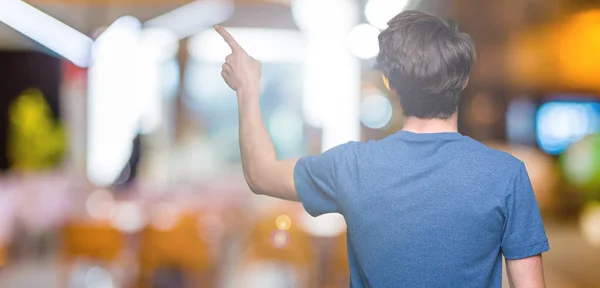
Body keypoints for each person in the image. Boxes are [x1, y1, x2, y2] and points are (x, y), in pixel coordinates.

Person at [215, 10, 548, 288]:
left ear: (391, 84)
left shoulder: (352, 166)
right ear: (463, 79)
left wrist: (247, 88)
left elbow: (259, 174)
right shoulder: (506, 175)